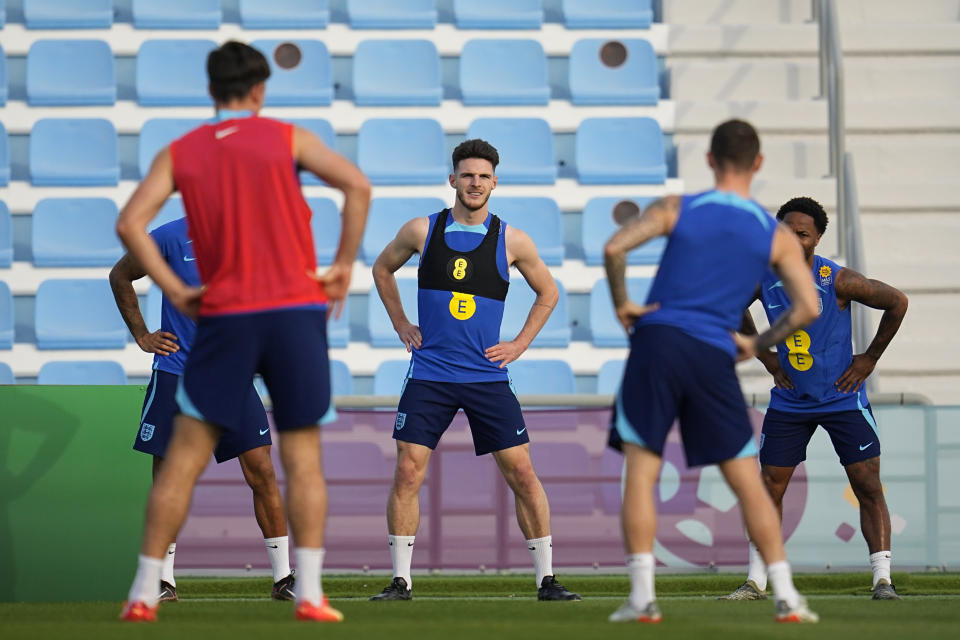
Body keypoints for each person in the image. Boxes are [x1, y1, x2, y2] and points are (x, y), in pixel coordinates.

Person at [115, 41, 370, 623]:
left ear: (211, 91)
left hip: (225, 316)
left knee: (181, 460)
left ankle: (143, 589)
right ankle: (307, 591)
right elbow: (357, 187)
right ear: (260, 90)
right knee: (302, 457)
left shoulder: (182, 151)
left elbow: (129, 223)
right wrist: (344, 265)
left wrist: (176, 290)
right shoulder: (287, 138)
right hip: (292, 312)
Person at [603, 119, 820, 624]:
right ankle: (786, 596)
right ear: (759, 164)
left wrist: (623, 305)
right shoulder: (775, 234)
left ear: (708, 159)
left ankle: (642, 599)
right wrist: (757, 343)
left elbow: (614, 248)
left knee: (642, 469)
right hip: (713, 351)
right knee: (747, 479)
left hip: (658, 342)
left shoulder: (680, 207)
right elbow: (807, 305)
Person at [368, 139, 580, 602]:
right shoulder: (422, 230)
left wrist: (520, 344)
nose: (475, 183)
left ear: (494, 182)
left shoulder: (512, 239)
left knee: (522, 473)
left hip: (486, 377)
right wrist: (402, 323)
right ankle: (401, 581)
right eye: (467, 175)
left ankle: (546, 579)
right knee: (408, 471)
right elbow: (382, 269)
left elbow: (549, 292)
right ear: (453, 180)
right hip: (430, 374)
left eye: (483, 176)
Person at [721, 196, 908, 601]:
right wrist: (767, 357)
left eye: (802, 233)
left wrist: (869, 359)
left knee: (866, 483)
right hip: (791, 401)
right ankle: (756, 581)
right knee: (769, 486)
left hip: (842, 397)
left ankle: (882, 579)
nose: (792, 238)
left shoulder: (838, 280)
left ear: (817, 238)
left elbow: (897, 301)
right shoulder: (763, 277)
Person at [110, 219, 295, 603]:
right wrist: (143, 335)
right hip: (178, 372)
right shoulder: (171, 236)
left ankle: (284, 579)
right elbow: (121, 276)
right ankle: (163, 581)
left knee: (261, 470)